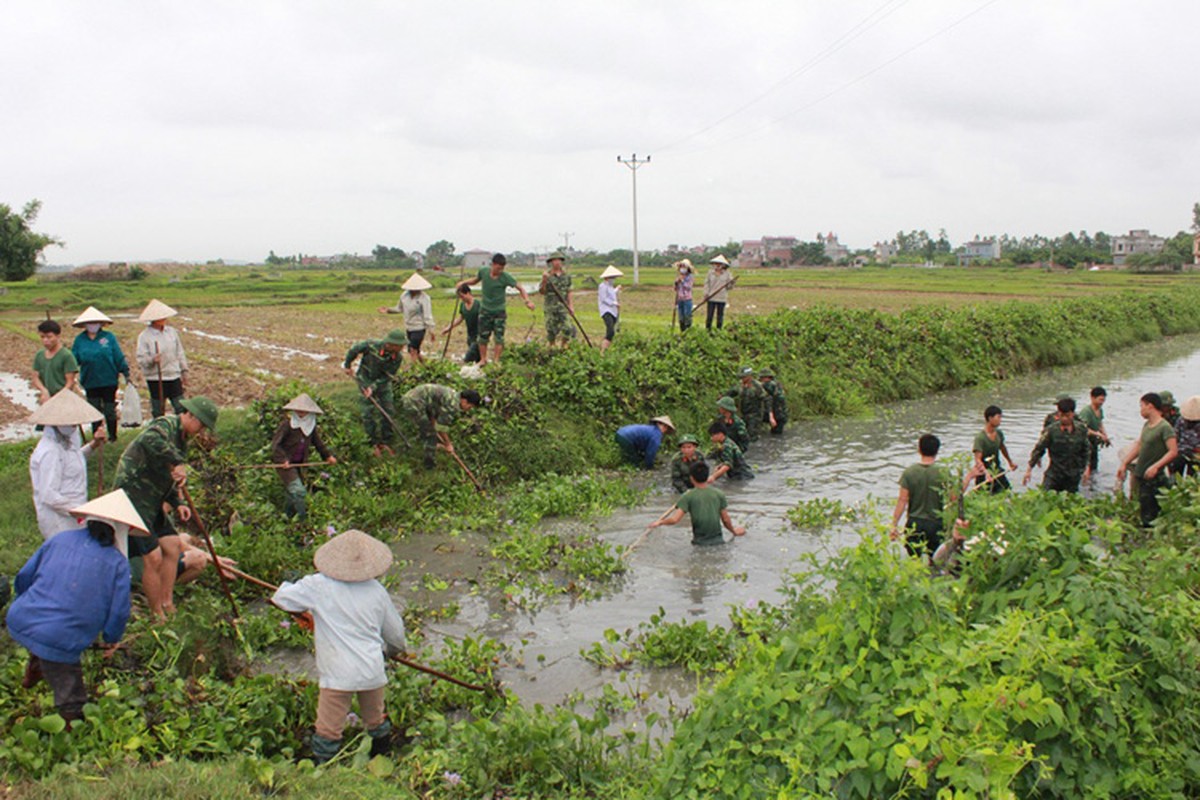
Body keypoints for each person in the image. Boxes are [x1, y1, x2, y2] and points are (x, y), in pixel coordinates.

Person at [6, 490, 146, 725]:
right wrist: (112, 638)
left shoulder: (59, 539)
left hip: (21, 619)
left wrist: (27, 602)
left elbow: (23, 577)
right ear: (120, 531)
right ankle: (72, 728)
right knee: (71, 688)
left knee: (49, 630)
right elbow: (119, 611)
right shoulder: (117, 563)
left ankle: (38, 663)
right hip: (61, 636)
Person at [272, 529, 407, 764]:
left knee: (328, 728)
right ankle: (382, 758)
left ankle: (323, 768)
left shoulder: (318, 585)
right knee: (375, 718)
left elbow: (281, 598)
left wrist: (301, 605)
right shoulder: (377, 591)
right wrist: (390, 653)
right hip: (371, 669)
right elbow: (396, 636)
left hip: (337, 673)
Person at [113, 396, 219, 619]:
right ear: (190, 416)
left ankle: (166, 601)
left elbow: (168, 476)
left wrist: (177, 502)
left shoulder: (181, 440)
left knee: (171, 545)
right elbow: (150, 440)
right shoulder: (165, 425)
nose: (201, 431)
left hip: (153, 500)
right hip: (133, 498)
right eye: (201, 425)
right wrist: (178, 460)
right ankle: (156, 613)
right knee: (153, 557)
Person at [28, 389, 106, 539]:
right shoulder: (49, 452)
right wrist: (80, 510)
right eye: (71, 423)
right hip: (59, 520)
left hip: (75, 514)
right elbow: (49, 495)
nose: (74, 427)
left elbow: (73, 460)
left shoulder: (67, 441)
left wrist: (94, 445)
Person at [455, 253, 535, 366]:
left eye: (502, 268)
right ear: (493, 264)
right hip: (485, 310)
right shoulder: (483, 271)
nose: (500, 271)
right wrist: (463, 283)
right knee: (482, 337)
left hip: (499, 312)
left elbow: (520, 288)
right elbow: (475, 280)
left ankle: (496, 361)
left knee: (499, 337)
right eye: (498, 268)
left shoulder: (505, 277)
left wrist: (527, 301)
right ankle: (483, 359)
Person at [271, 393, 337, 520]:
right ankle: (303, 520)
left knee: (292, 494)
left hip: (299, 464)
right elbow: (275, 445)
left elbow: (318, 443)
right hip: (286, 465)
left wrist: (328, 456)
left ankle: (287, 518)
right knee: (299, 491)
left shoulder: (311, 425)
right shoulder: (287, 424)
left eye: (304, 410)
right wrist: (283, 460)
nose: (300, 412)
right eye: (298, 409)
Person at [1117, 393, 1179, 527]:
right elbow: (1139, 445)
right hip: (1142, 475)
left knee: (1150, 513)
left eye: (1142, 406)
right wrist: (1124, 463)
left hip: (1154, 477)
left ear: (1150, 406)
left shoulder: (1164, 427)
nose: (1141, 410)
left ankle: (1148, 538)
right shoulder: (1147, 425)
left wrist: (1156, 466)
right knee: (1142, 508)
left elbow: (1173, 451)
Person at [70, 306, 131, 441]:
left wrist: (125, 372)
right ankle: (97, 437)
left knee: (109, 411)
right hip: (90, 381)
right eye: (90, 323)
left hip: (108, 380)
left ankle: (112, 437)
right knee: (94, 410)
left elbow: (117, 355)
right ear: (85, 325)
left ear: (101, 323)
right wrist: (68, 373)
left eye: (95, 322)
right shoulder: (80, 340)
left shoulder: (108, 338)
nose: (93, 325)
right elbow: (74, 359)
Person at [648, 462, 746, 546]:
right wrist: (734, 531)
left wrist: (660, 522)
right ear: (707, 476)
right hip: (719, 543)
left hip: (699, 544)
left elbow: (674, 520)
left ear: (691, 478)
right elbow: (725, 519)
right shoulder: (719, 494)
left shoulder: (688, 496)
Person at [344, 330, 407, 457]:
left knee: (388, 411)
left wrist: (374, 387)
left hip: (382, 384)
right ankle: (371, 443)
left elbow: (387, 377)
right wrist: (347, 365)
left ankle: (386, 442)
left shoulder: (397, 358)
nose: (402, 348)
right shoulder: (370, 345)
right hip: (365, 379)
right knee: (368, 412)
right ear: (390, 344)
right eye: (400, 346)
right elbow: (353, 350)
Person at [890, 434, 947, 557]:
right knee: (936, 559)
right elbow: (954, 498)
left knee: (914, 561)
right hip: (935, 523)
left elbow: (902, 500)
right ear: (937, 451)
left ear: (919, 449)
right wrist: (969, 477)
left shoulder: (909, 472)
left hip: (915, 524)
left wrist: (894, 525)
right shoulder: (943, 472)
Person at [400, 383, 482, 469]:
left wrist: (434, 423)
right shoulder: (453, 405)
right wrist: (448, 444)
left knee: (428, 427)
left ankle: (419, 442)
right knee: (430, 433)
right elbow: (441, 427)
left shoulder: (453, 395)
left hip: (415, 398)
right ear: (464, 401)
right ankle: (429, 464)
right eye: (470, 406)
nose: (469, 409)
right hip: (414, 402)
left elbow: (435, 413)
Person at [1023, 397, 1090, 494]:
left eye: (1067, 415)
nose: (1064, 418)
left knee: (1070, 501)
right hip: (1054, 473)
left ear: (1073, 414)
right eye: (1061, 415)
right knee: (1044, 497)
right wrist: (1029, 470)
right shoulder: (1051, 431)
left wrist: (1086, 468)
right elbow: (1039, 449)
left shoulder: (1081, 430)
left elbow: (1086, 449)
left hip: (1073, 475)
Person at [135, 299, 189, 418]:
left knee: (180, 407)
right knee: (158, 410)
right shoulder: (144, 336)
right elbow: (141, 359)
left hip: (173, 375)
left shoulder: (172, 332)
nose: (164, 319)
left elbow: (179, 352)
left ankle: (181, 433)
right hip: (156, 378)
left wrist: (184, 371)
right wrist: (152, 360)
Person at [380, 273, 436, 365]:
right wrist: (388, 310)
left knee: (412, 350)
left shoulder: (424, 298)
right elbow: (399, 308)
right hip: (409, 327)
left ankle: (413, 370)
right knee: (415, 351)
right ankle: (427, 366)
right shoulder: (404, 296)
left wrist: (431, 330)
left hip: (419, 328)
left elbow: (427, 315)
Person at [972, 405, 1018, 493]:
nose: (1000, 420)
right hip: (983, 475)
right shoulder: (980, 438)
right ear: (990, 418)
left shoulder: (999, 434)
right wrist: (986, 473)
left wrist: (1010, 462)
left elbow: (1002, 448)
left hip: (997, 470)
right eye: (998, 417)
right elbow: (978, 459)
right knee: (984, 497)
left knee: (1007, 492)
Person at [32, 319, 79, 404]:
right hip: (47, 397)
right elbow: (35, 377)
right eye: (42, 337)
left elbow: (70, 381)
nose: (45, 340)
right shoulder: (39, 355)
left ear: (58, 336)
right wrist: (44, 390)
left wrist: (59, 396)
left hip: (64, 398)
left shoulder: (66, 355)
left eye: (49, 337)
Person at [539, 253, 575, 348]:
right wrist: (544, 280)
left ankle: (564, 344)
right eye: (554, 260)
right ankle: (552, 346)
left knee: (568, 328)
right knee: (551, 330)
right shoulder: (547, 275)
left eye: (559, 260)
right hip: (550, 307)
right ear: (551, 262)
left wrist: (571, 306)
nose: (557, 262)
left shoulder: (566, 276)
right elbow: (542, 291)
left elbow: (569, 291)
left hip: (563, 306)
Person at [725, 367, 767, 443]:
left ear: (749, 376)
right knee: (742, 435)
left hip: (755, 416)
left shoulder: (757, 386)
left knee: (752, 436)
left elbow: (766, 399)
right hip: (743, 414)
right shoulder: (740, 386)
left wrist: (769, 416)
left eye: (743, 377)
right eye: (741, 377)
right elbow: (731, 393)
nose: (742, 379)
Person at [441, 283, 481, 364]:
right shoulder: (463, 305)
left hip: (479, 336)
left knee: (468, 358)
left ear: (468, 293)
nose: (461, 298)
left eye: (462, 296)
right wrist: (448, 328)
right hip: (470, 336)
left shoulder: (478, 304)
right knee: (477, 359)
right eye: (460, 297)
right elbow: (460, 318)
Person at [1078, 386, 1110, 483]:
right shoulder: (1086, 411)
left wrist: (1105, 435)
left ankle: (1091, 484)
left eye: (1103, 400)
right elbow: (1082, 429)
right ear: (1092, 398)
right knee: (1084, 467)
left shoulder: (1100, 410)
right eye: (1100, 400)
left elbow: (1100, 423)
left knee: (1094, 466)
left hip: (1094, 442)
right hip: (1084, 443)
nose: (1102, 402)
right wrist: (1097, 434)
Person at [703, 254, 734, 331]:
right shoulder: (710, 273)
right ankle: (708, 331)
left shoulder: (727, 274)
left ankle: (718, 331)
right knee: (709, 316)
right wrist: (706, 294)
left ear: (723, 265)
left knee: (720, 316)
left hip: (722, 298)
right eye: (716, 263)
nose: (717, 265)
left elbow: (729, 287)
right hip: (711, 297)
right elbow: (707, 284)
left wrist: (732, 283)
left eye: (719, 264)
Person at [1172, 395, 1200, 477]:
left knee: (1176, 477)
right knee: (1192, 477)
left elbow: (1175, 436)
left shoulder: (1181, 420)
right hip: (1195, 454)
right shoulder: (1181, 420)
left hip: (1181, 452)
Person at [597, 265, 622, 351]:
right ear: (607, 277)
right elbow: (604, 298)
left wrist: (617, 289)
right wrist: (614, 303)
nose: (613, 279)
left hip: (613, 311)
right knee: (610, 331)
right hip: (606, 311)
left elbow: (611, 294)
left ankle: (607, 348)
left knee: (611, 332)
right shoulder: (602, 286)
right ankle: (603, 350)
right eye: (612, 277)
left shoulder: (610, 286)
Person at [758, 368, 788, 435]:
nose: (761, 380)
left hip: (778, 415)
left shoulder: (770, 385)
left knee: (776, 434)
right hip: (776, 413)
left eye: (762, 378)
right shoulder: (776, 384)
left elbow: (769, 401)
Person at [673, 260, 695, 332]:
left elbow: (689, 287)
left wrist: (682, 281)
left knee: (687, 316)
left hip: (687, 299)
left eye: (684, 267)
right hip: (680, 299)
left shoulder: (690, 277)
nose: (682, 268)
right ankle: (682, 331)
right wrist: (676, 283)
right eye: (681, 266)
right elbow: (676, 289)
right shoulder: (678, 276)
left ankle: (688, 331)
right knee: (681, 317)